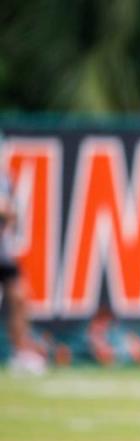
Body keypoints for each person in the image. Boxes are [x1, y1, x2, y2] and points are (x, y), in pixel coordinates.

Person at [0, 143, 46, 375]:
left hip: (2, 251)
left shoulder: (5, 178)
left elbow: (11, 214)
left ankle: (20, 351)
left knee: (19, 297)